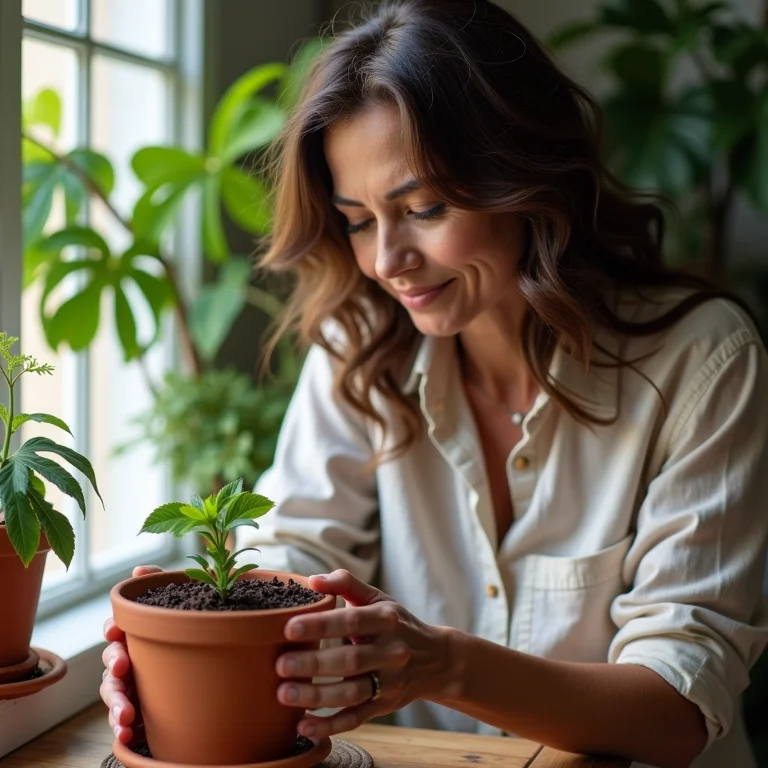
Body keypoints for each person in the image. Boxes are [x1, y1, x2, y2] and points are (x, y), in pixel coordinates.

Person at [99, 2, 768, 766]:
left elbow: (681, 705)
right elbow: (294, 555)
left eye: (425, 208)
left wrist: (446, 663)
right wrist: (179, 654)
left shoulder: (700, 360)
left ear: (527, 178)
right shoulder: (359, 349)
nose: (387, 260)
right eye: (356, 220)